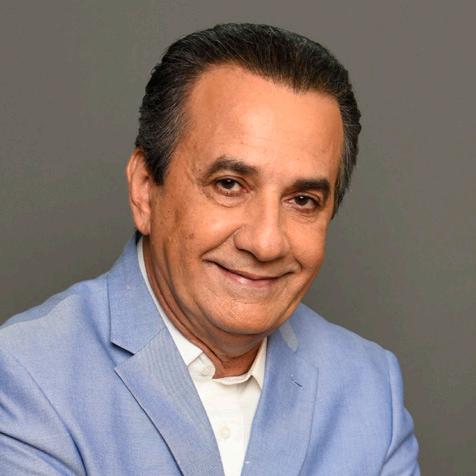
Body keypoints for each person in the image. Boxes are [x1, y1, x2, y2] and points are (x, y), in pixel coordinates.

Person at [0, 23, 420, 475]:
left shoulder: (370, 389)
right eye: (229, 185)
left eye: (302, 200)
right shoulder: (26, 374)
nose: (266, 242)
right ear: (145, 190)